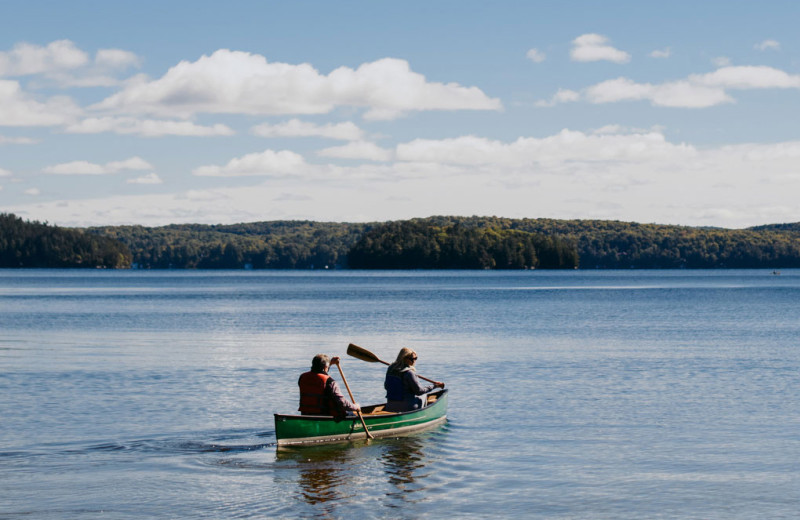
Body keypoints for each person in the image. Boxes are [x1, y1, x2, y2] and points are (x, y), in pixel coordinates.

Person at [384, 347, 445, 412]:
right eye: (412, 359)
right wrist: (434, 386)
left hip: (390, 407)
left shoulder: (390, 369)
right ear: (404, 358)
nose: (414, 361)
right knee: (424, 395)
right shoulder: (409, 373)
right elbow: (419, 391)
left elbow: (386, 386)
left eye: (416, 358)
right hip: (407, 408)